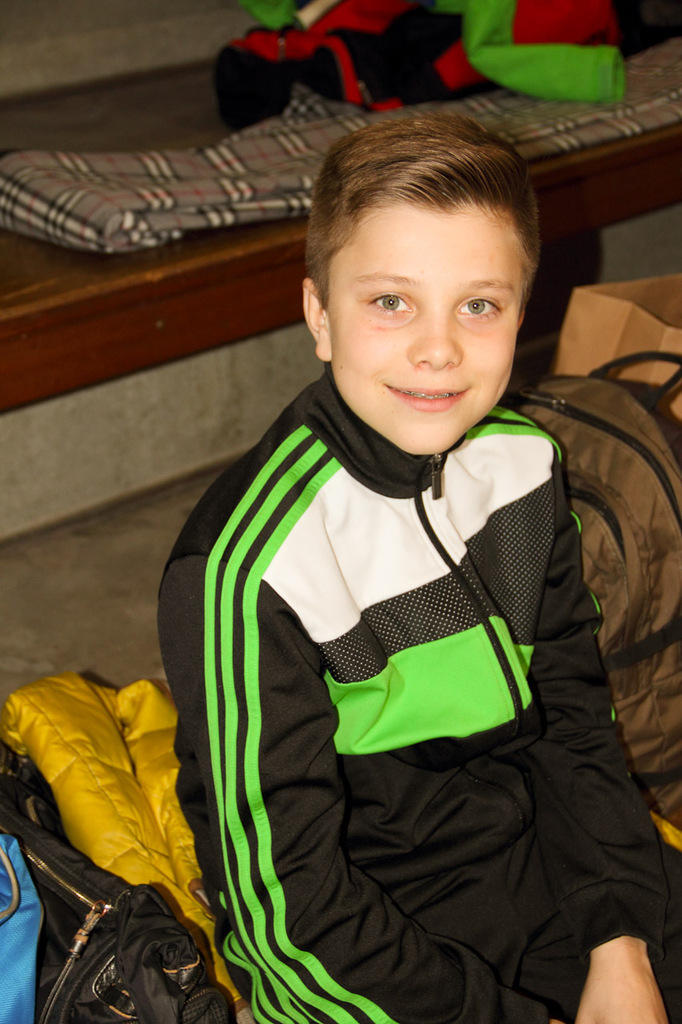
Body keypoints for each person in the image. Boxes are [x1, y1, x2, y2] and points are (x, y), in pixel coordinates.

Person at [158, 112, 682, 1024]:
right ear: (320, 315)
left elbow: (572, 720)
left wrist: (621, 939)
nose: (438, 350)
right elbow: (291, 911)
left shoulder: (524, 465)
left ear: (521, 312)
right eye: (391, 302)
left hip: (544, 859)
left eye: (478, 305)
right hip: (372, 936)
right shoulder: (245, 568)